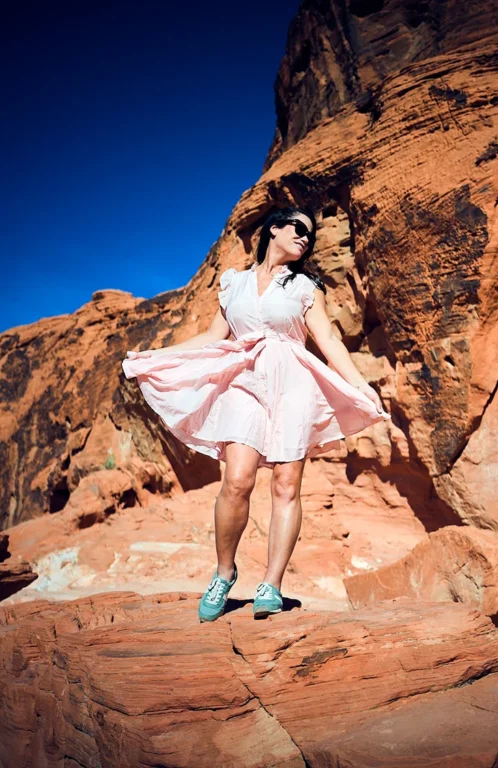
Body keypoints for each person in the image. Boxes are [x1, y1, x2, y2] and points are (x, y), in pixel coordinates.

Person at [121, 206, 390, 622]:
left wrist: (358, 383)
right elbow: (212, 337)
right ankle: (224, 572)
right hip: (244, 381)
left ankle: (272, 584)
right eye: (299, 229)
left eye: (311, 236)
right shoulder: (234, 284)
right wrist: (156, 355)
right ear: (274, 230)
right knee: (237, 480)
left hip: (293, 384)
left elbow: (328, 338)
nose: (305, 238)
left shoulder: (304, 287)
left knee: (286, 484)